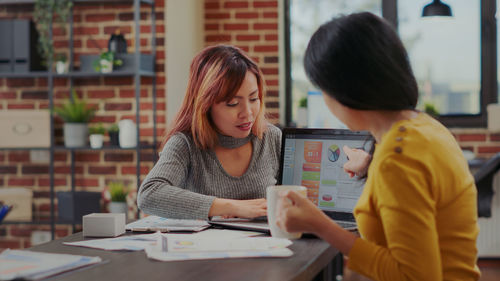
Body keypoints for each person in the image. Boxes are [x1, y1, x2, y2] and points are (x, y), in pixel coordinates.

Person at [276, 12, 480, 281]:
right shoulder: (425, 128)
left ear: (345, 91)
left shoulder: (398, 159)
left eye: (323, 89)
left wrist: (321, 225)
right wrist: (372, 168)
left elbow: (414, 276)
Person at [137, 45, 281, 220]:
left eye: (253, 99)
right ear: (206, 105)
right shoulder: (185, 144)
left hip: (268, 246)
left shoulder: (272, 138)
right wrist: (229, 206)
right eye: (233, 103)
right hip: (205, 246)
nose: (248, 113)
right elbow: (149, 195)